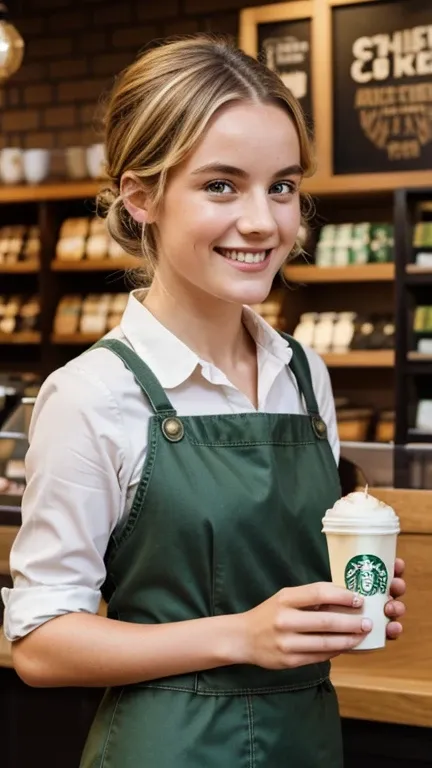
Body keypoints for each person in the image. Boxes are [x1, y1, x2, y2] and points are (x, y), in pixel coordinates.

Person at [2, 35, 405, 767]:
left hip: (309, 742)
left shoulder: (303, 373)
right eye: (222, 185)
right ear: (141, 197)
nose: (264, 222)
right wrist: (240, 636)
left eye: (282, 186)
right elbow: (39, 642)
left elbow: (268, 579)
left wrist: (346, 598)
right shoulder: (92, 395)